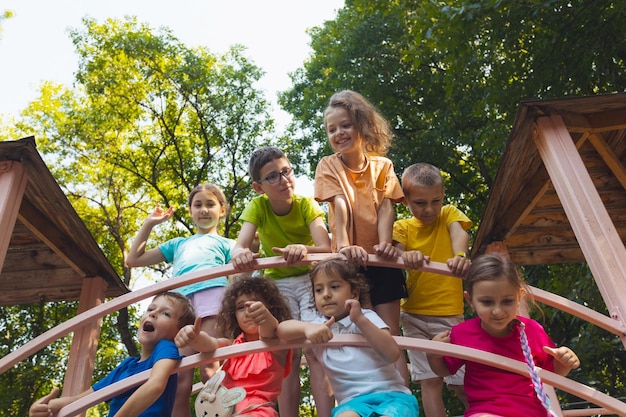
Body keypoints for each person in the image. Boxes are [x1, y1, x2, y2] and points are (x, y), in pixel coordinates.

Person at [230, 146, 334, 417]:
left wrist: (304, 249)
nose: (283, 180)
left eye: (286, 171)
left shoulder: (305, 204)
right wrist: (240, 254)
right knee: (287, 354)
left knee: (316, 349)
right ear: (258, 186)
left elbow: (325, 245)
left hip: (311, 280)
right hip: (278, 285)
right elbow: (239, 246)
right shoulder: (258, 206)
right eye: (273, 176)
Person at [314, 89, 408, 384]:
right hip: (349, 261)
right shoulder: (328, 165)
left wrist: (383, 244)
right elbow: (339, 204)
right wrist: (343, 245)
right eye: (332, 129)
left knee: (389, 333)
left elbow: (385, 208)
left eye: (345, 125)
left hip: (379, 259)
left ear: (361, 125)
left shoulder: (383, 166)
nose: (339, 133)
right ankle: (362, 392)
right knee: (357, 329)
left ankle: (400, 395)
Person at [125, 183, 235, 417]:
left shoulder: (227, 243)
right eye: (198, 205)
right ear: (190, 211)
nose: (204, 210)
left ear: (222, 210)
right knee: (178, 377)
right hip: (179, 306)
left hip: (212, 298)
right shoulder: (178, 243)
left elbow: (240, 267)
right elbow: (133, 259)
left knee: (211, 369)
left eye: (210, 204)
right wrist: (149, 223)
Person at [426, 253, 580, 417]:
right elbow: (445, 370)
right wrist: (433, 355)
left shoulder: (532, 330)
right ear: (470, 300)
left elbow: (553, 372)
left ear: (519, 296)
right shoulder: (462, 333)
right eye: (487, 302)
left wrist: (565, 362)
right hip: (486, 411)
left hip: (531, 412)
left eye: (507, 301)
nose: (498, 311)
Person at [277, 257, 419, 417]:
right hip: (352, 404)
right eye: (318, 290)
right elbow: (282, 329)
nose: (326, 295)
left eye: (334, 287)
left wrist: (360, 321)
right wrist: (307, 328)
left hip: (393, 397)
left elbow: (392, 353)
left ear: (354, 293)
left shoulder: (366, 317)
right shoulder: (317, 326)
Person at [29, 292, 196, 417]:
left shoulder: (166, 347)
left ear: (177, 333)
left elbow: (155, 385)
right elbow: (82, 399)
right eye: (150, 309)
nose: (152, 313)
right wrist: (47, 407)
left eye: (165, 313)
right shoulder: (127, 366)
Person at [392, 162, 472, 417]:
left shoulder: (449, 214)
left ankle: (483, 412)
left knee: (461, 381)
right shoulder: (402, 227)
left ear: (443, 195)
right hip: (414, 315)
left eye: (435, 201)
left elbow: (460, 233)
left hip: (448, 314)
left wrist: (460, 255)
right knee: (429, 380)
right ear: (405, 200)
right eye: (420, 203)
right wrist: (406, 255)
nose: (429, 209)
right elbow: (395, 249)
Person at [175, 277, 293, 417]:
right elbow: (210, 345)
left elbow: (269, 330)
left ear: (271, 307)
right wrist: (194, 337)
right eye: (240, 307)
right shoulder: (231, 346)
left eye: (256, 303)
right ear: (234, 315)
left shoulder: (275, 343)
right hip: (226, 412)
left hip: (257, 411)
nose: (249, 310)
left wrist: (264, 316)